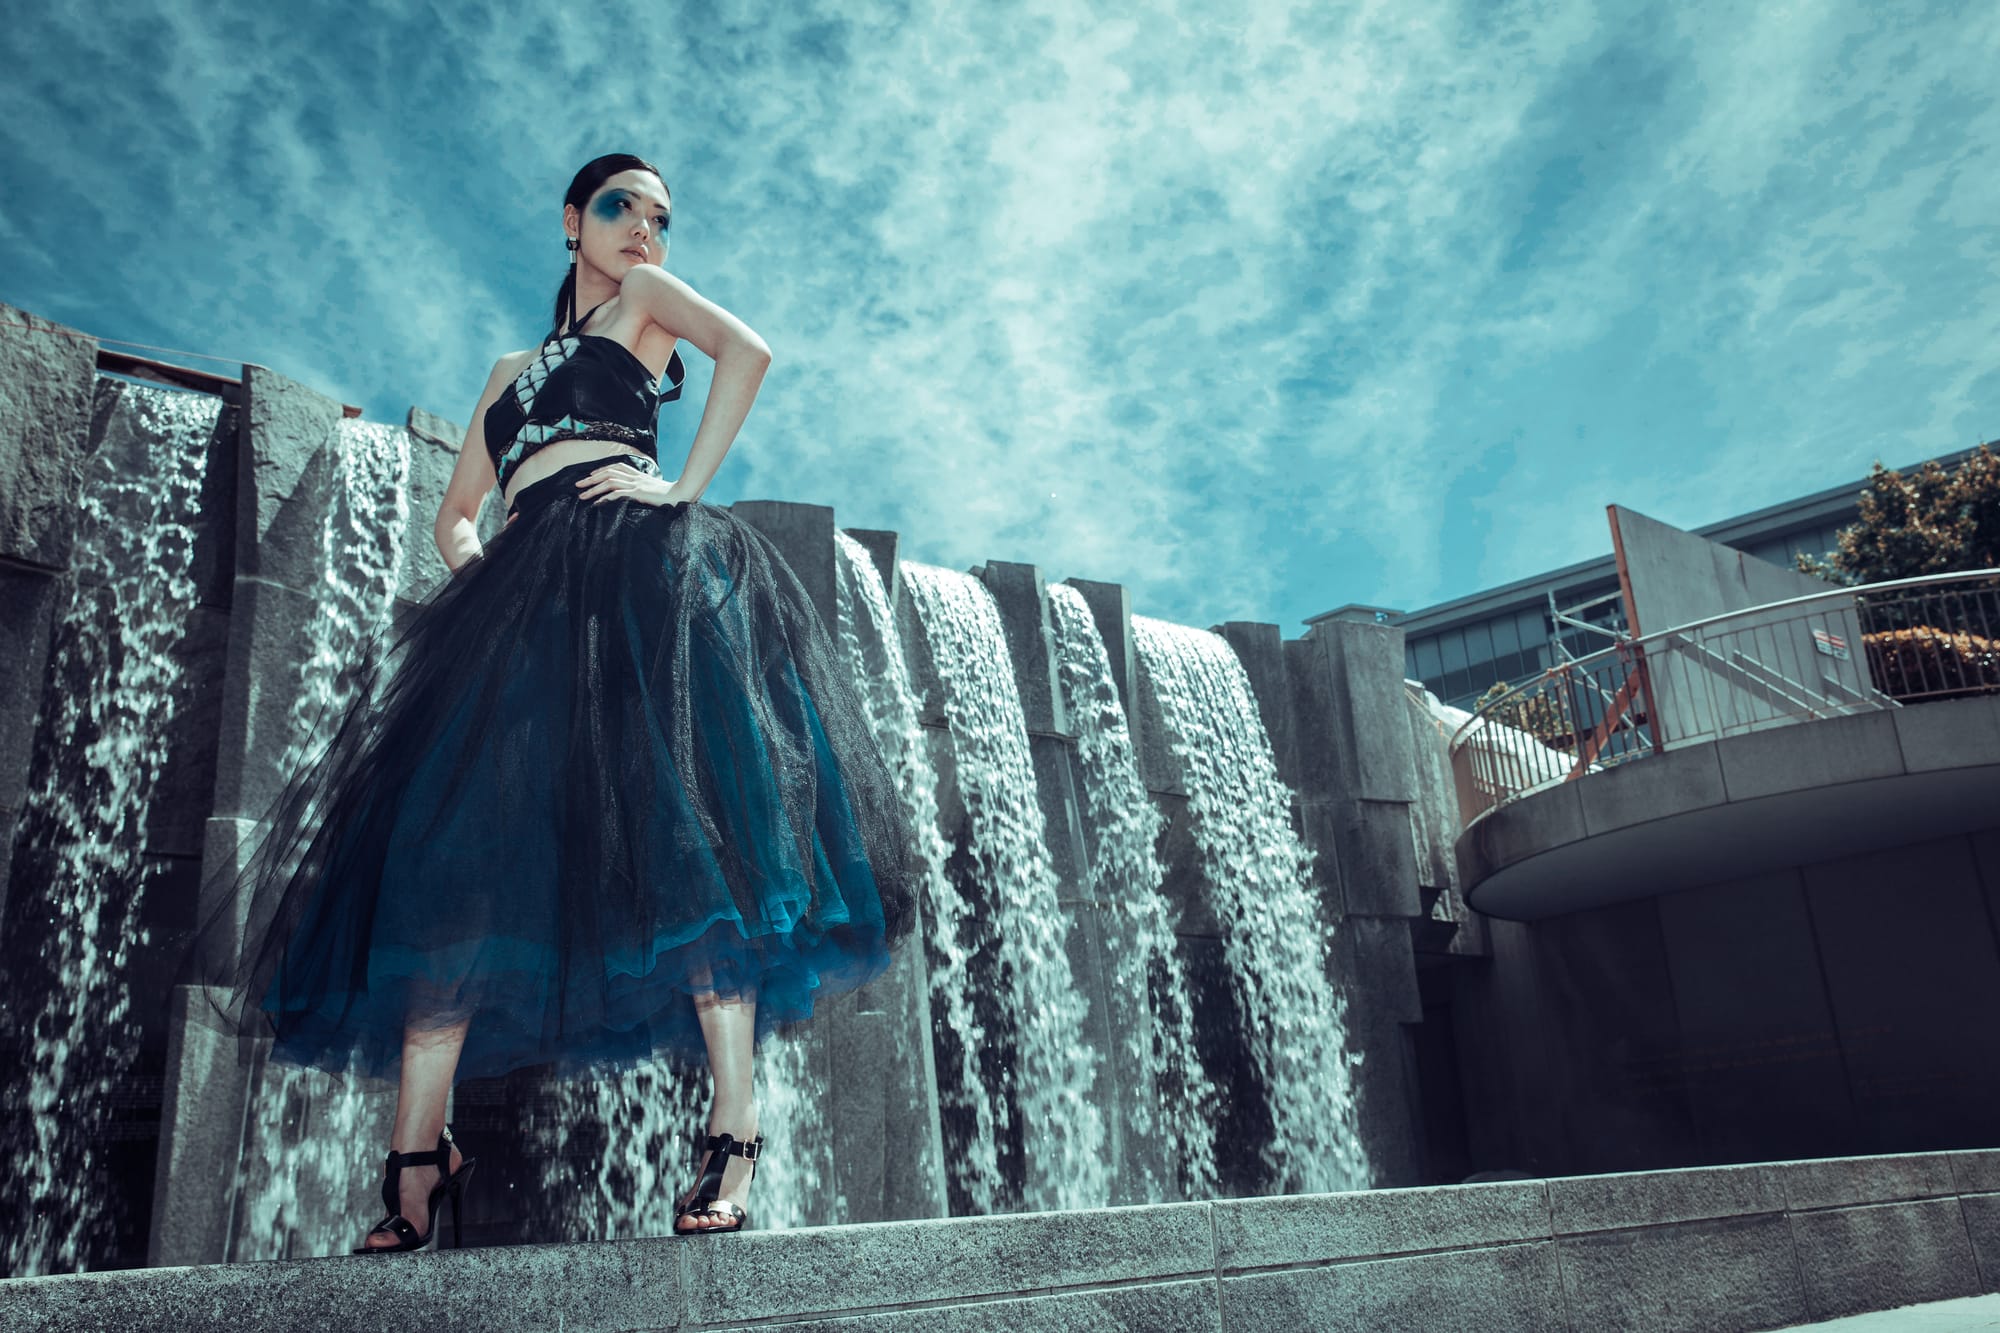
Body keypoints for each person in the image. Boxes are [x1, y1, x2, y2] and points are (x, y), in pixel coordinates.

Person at [183, 153, 916, 1249]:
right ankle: (417, 1155)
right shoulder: (507, 372)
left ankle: (733, 1128)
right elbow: (456, 516)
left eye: (663, 216)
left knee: (689, 841)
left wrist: (680, 489)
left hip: (634, 579)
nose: (646, 230)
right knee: (446, 868)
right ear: (572, 219)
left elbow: (748, 355)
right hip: (523, 607)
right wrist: (489, 575)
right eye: (624, 207)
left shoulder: (646, 306)